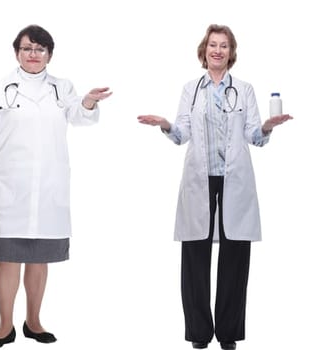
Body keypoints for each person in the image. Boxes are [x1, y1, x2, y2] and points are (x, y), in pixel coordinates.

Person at [136, 24, 292, 350]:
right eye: (212, 45)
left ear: (231, 52)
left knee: (234, 259)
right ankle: (198, 334)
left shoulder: (244, 89)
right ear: (204, 50)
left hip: (234, 181)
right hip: (199, 180)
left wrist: (267, 126)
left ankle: (229, 334)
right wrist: (165, 125)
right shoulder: (191, 89)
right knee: (195, 258)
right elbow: (181, 134)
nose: (217, 50)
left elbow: (254, 136)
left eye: (223, 46)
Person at [0, 24, 111, 349]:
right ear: (17, 52)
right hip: (10, 188)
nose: (34, 54)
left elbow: (80, 116)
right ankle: (4, 326)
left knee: (39, 258)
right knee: (8, 258)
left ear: (49, 55)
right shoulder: (0, 88)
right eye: (28, 48)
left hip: (48, 189)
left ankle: (33, 321)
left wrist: (86, 102)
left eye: (40, 49)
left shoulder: (62, 87)